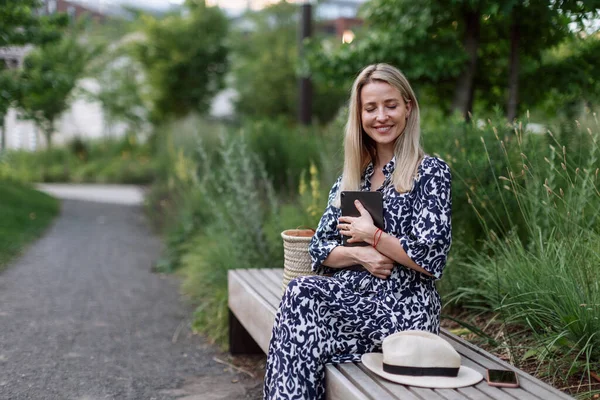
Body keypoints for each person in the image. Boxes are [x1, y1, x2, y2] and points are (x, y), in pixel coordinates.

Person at [263, 63, 452, 400]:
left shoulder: (429, 173)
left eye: (390, 105)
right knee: (301, 305)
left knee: (302, 299)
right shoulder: (354, 179)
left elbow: (429, 258)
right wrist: (359, 254)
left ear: (408, 108)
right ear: (360, 115)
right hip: (350, 306)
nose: (381, 116)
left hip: (402, 311)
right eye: (370, 108)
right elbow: (319, 248)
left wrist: (373, 235)